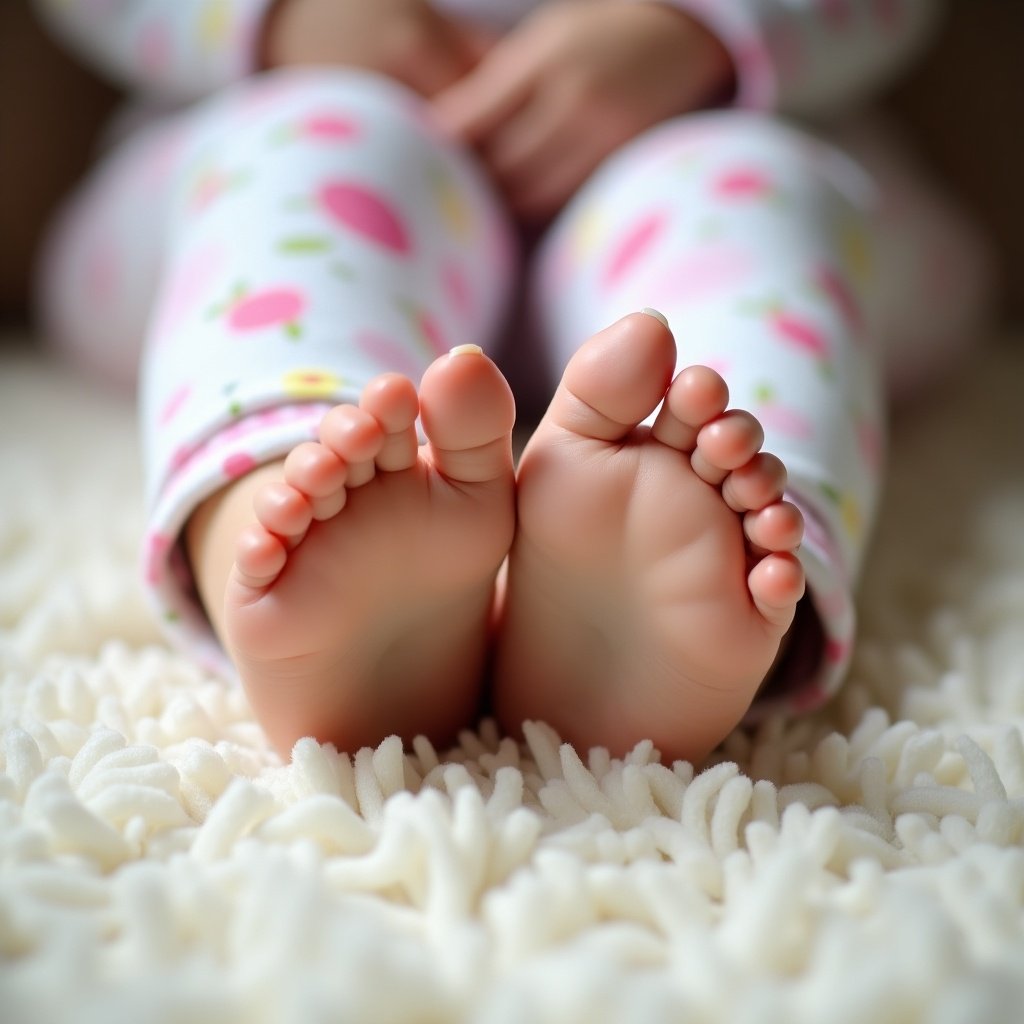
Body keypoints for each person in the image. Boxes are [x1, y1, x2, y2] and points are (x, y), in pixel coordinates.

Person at [32, 0, 991, 763]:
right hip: (311, 134)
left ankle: (699, 577)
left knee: (751, 196)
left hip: (681, 141)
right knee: (313, 154)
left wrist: (697, 28)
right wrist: (281, 19)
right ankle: (277, 514)